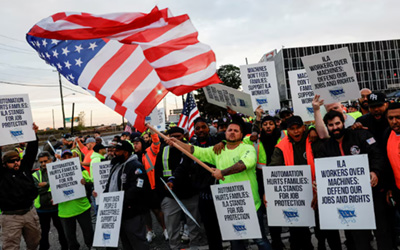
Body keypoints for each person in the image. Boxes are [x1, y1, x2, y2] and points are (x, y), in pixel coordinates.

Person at [168, 121, 272, 250]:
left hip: (251, 204)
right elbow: (196, 151)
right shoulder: (218, 151)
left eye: (236, 130)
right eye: (230, 130)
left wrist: (222, 172)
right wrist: (177, 143)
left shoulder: (247, 148)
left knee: (260, 240)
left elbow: (245, 164)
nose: (232, 132)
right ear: (225, 133)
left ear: (241, 134)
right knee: (236, 243)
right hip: (230, 205)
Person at [321, 110, 393, 250]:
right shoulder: (326, 147)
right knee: (359, 236)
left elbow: (377, 155)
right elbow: (325, 171)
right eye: (331, 125)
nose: (335, 128)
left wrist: (375, 172)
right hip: (350, 200)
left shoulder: (361, 135)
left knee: (382, 230)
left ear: (343, 122)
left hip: (373, 191)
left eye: (337, 123)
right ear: (327, 126)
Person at [269, 116, 337, 250]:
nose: (295, 132)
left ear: (303, 127)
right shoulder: (281, 147)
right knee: (298, 236)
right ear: (287, 130)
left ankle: (323, 245)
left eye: (298, 128)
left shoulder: (313, 139)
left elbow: (324, 164)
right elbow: (273, 170)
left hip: (319, 191)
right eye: (292, 129)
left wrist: (320, 190)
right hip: (297, 197)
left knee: (328, 229)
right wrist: (269, 192)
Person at [155, 126, 204, 250]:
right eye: (173, 137)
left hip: (190, 194)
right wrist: (161, 196)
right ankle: (175, 247)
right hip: (170, 197)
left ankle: (194, 246)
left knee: (193, 225)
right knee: (172, 227)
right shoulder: (164, 151)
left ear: (183, 137)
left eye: (178, 136)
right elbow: (158, 173)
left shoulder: (191, 149)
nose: (176, 139)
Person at [101, 140, 151, 250]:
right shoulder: (116, 166)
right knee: (126, 242)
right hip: (118, 213)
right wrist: (105, 198)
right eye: (114, 150)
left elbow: (137, 188)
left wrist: (121, 201)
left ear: (126, 152)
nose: (114, 153)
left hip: (132, 212)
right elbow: (109, 184)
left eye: (117, 151)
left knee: (138, 242)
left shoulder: (135, 166)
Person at [0, 123, 41, 250]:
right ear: (5, 164)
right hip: (10, 216)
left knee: (34, 242)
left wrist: (33, 134)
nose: (16, 162)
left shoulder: (24, 168)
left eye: (17, 159)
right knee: (11, 247)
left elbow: (31, 151)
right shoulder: (2, 174)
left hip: (30, 212)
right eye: (12, 161)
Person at [132, 130, 168, 242]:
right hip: (141, 189)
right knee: (145, 212)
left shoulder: (150, 151)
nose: (135, 145)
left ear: (142, 143)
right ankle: (149, 231)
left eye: (137, 143)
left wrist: (153, 132)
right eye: (134, 144)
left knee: (157, 210)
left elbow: (156, 142)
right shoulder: (133, 157)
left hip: (152, 187)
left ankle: (165, 229)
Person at [58, 150, 94, 250]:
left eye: (69, 156)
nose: (67, 159)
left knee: (88, 233)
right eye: (64, 157)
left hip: (82, 207)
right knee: (70, 238)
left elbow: (91, 182)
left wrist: (85, 183)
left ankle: (91, 246)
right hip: (65, 211)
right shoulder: (55, 172)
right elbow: (53, 190)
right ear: (61, 159)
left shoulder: (81, 169)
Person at [34, 151, 68, 250]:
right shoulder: (36, 174)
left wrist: (46, 184)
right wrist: (52, 184)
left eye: (45, 161)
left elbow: (61, 184)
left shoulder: (58, 171)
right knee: (43, 233)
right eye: (41, 162)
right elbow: (37, 189)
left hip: (58, 207)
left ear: (51, 160)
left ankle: (65, 247)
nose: (43, 164)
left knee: (62, 231)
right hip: (42, 209)